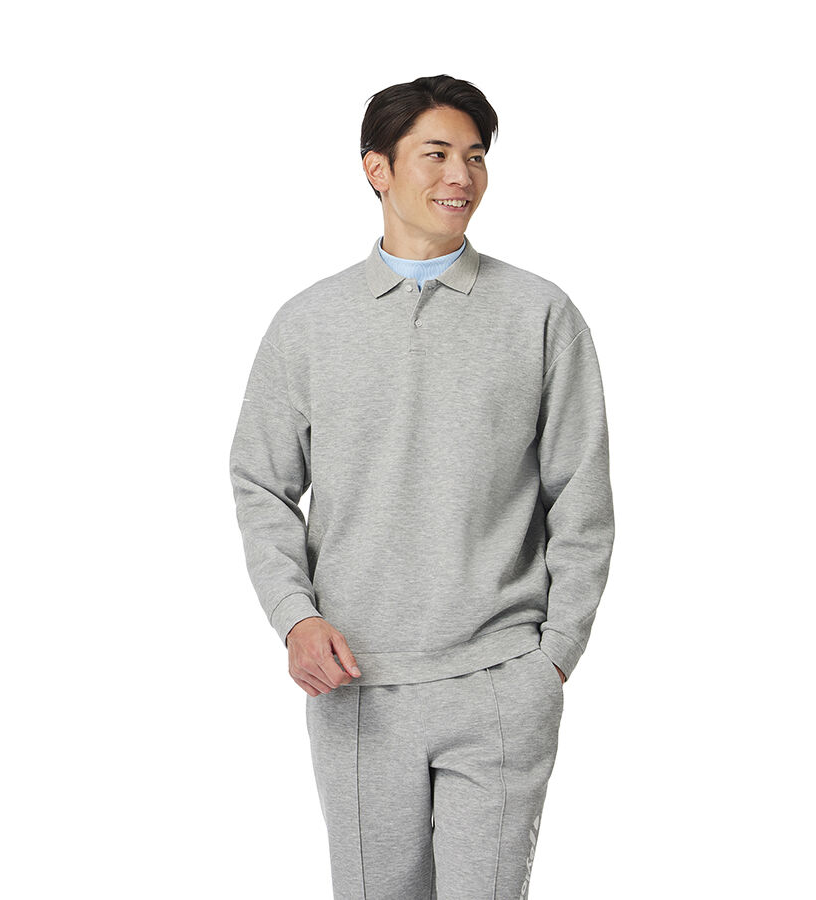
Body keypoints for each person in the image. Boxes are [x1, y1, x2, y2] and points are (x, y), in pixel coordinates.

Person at [229, 73, 615, 899]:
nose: (460, 176)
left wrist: (553, 658)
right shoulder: (309, 323)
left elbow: (581, 496)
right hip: (356, 687)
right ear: (377, 169)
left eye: (475, 157)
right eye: (435, 154)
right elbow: (262, 485)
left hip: (501, 679)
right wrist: (295, 617)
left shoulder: (540, 314)